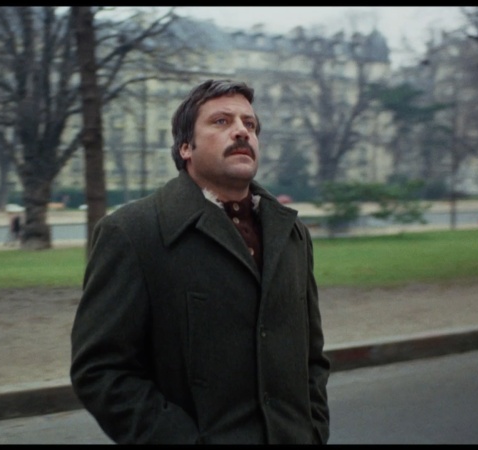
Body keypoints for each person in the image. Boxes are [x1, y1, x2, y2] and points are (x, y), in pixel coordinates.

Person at [70, 79, 330, 444]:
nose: (242, 131)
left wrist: (313, 430)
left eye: (250, 124)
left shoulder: (291, 234)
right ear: (185, 147)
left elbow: (311, 357)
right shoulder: (132, 232)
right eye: (221, 121)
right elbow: (100, 371)